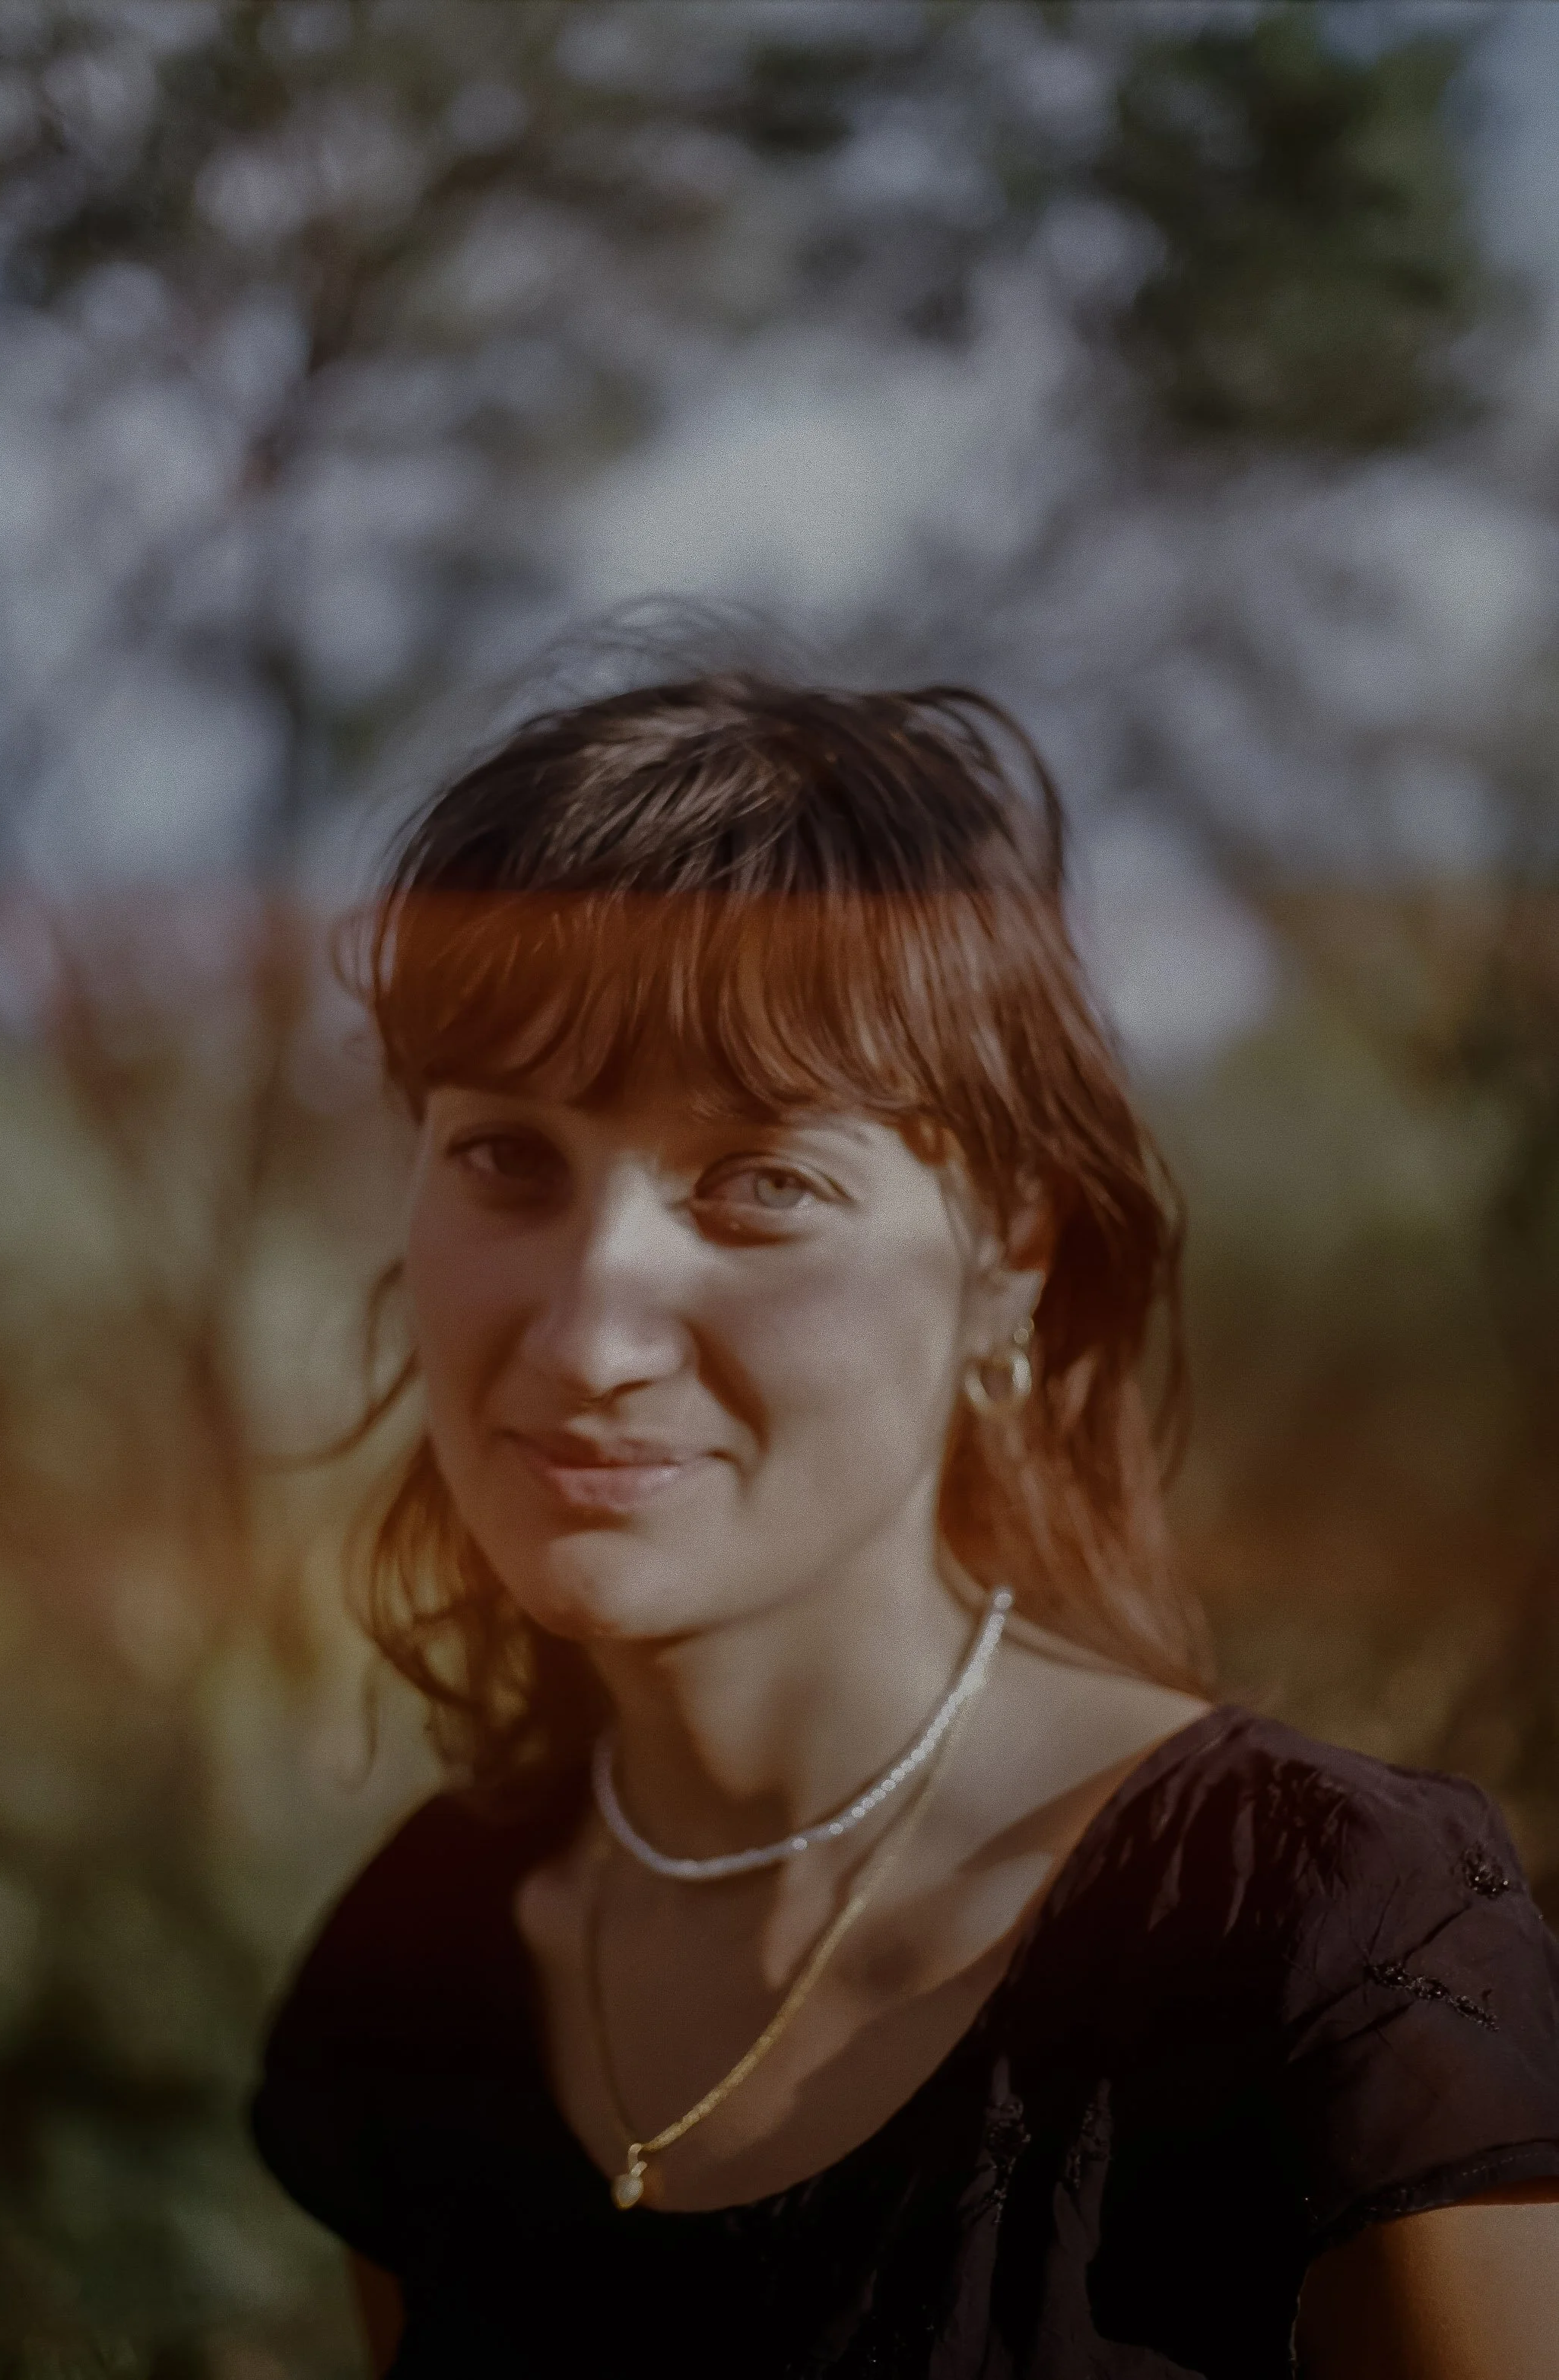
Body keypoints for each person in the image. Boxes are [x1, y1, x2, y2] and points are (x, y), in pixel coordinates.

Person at [251, 671, 1559, 2378]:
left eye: (760, 1180)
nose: (584, 1333)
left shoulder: (1323, 1947)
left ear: (1009, 1252)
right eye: (507, 1157)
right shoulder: (419, 1965)